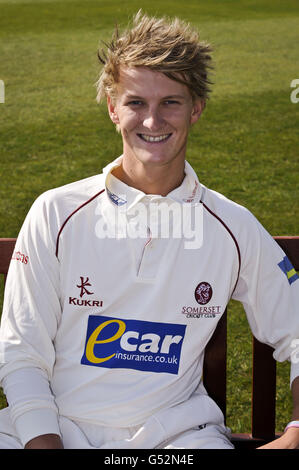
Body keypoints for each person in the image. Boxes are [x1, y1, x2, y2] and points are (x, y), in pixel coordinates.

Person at [0, 11, 298, 450]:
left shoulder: (232, 226)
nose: (153, 122)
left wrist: (295, 433)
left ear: (196, 109)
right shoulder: (56, 212)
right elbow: (22, 351)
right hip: (56, 430)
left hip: (177, 440)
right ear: (112, 108)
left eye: (170, 103)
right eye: (136, 102)